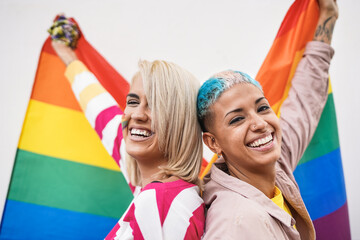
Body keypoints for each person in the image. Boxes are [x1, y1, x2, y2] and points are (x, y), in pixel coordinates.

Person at [50, 20, 205, 239]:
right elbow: (101, 112)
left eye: (155, 105)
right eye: (133, 101)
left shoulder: (159, 201)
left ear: (181, 122)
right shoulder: (154, 187)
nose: (137, 114)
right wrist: (70, 58)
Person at [197, 0, 338, 239]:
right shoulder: (236, 223)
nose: (260, 123)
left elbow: (305, 102)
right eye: (237, 119)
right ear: (213, 143)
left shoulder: (274, 167)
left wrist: (328, 16)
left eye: (262, 108)